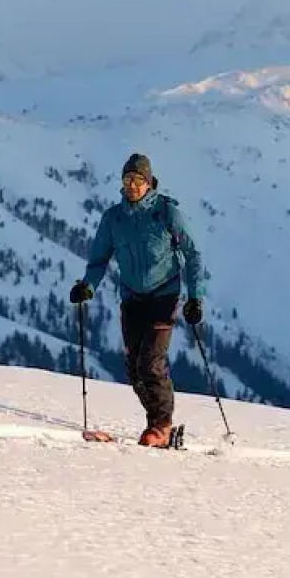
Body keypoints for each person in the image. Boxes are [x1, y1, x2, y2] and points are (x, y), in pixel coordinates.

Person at [68, 152, 207, 447]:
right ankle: (155, 421)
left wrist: (195, 297)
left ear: (149, 182)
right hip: (132, 297)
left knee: (151, 363)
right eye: (127, 179)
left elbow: (193, 254)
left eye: (138, 180)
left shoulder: (166, 212)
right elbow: (99, 259)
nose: (132, 185)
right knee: (134, 368)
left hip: (164, 296)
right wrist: (87, 287)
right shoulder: (113, 218)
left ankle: (162, 426)